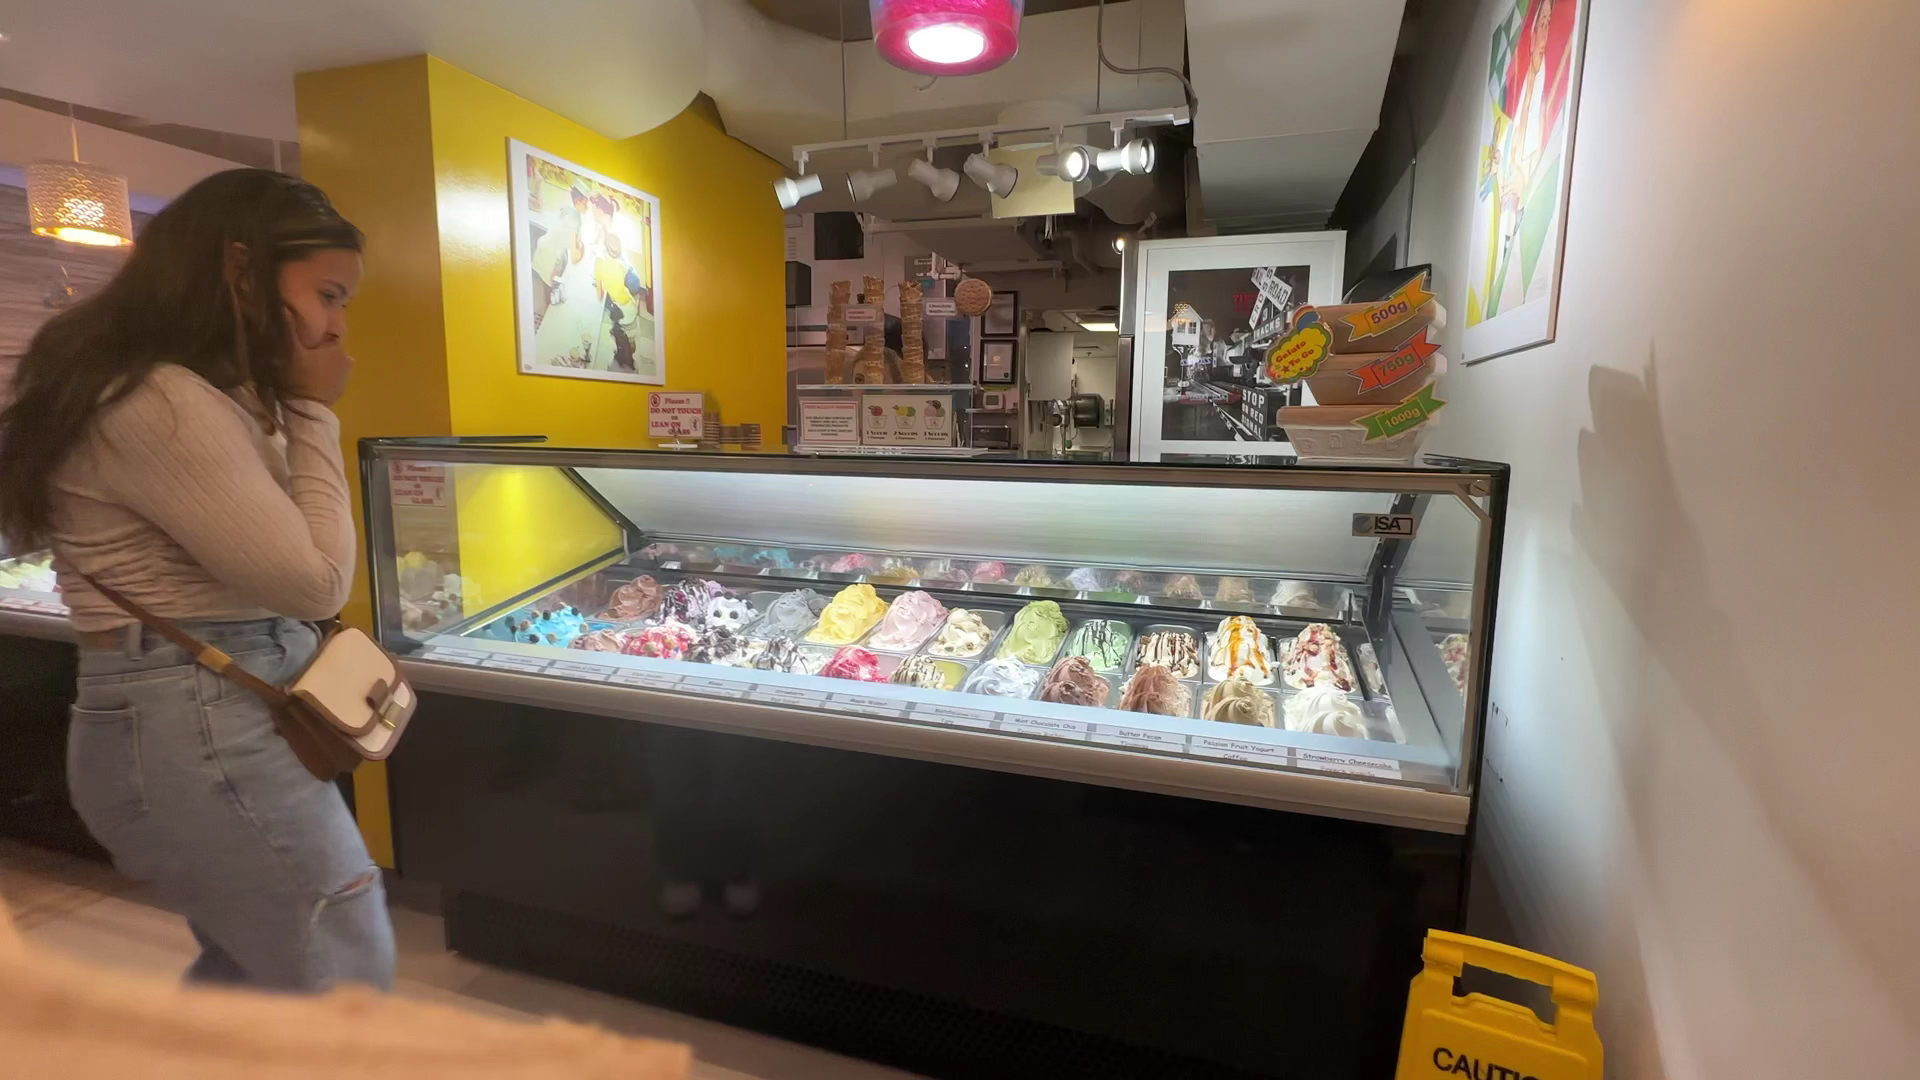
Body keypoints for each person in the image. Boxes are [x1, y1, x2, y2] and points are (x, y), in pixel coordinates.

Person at [0, 168, 395, 992]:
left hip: (198, 710)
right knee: (344, 976)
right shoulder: (161, 399)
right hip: (200, 714)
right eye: (327, 295)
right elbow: (318, 581)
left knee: (255, 975)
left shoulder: (175, 390)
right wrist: (313, 410)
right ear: (241, 272)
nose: (337, 326)